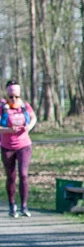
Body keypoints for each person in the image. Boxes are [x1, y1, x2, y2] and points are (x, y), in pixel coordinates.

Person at [1, 81, 36, 218]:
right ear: (7, 95)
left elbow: (33, 118)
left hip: (24, 145)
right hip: (7, 146)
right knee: (11, 176)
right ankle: (12, 205)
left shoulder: (25, 106)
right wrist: (8, 130)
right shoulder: (3, 108)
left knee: (23, 174)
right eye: (11, 97)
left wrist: (29, 127)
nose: (14, 99)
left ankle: (24, 206)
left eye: (16, 96)